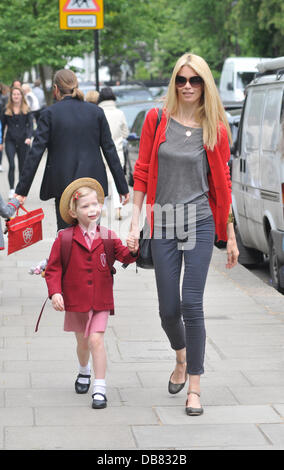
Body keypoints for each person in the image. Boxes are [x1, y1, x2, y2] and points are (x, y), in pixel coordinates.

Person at [127, 53, 239, 416]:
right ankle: (181, 355)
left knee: (192, 303)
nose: (187, 86)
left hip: (200, 221)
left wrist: (230, 233)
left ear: (205, 84)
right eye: (181, 80)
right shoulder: (156, 119)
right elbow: (142, 171)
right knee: (168, 309)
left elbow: (223, 183)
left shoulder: (216, 128)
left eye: (195, 80)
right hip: (163, 221)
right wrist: (134, 223)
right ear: (174, 82)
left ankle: (194, 385)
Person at [44, 177, 138, 409]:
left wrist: (134, 249)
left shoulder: (107, 236)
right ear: (74, 212)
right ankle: (83, 370)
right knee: (82, 342)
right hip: (75, 300)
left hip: (100, 299)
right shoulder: (64, 238)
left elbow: (125, 256)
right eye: (85, 206)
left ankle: (100, 387)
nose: (92, 209)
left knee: (96, 339)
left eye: (95, 204)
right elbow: (53, 269)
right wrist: (55, 292)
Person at [14, 69, 130, 230]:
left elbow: (35, 153)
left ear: (56, 89)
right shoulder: (96, 112)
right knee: (92, 237)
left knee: (66, 237)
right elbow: (109, 150)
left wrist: (22, 191)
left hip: (63, 184)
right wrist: (122, 187)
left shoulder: (50, 114)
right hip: (92, 183)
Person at [98, 87, 129, 220]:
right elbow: (125, 133)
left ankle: (103, 208)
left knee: (102, 181)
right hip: (116, 151)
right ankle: (118, 207)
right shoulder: (120, 113)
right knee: (116, 179)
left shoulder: (98, 112)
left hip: (99, 152)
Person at [1, 87, 33, 199]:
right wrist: (1, 141)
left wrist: (29, 137)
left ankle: (19, 190)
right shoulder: (6, 109)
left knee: (22, 167)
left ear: (21, 96)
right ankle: (11, 189)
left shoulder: (26, 109)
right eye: (14, 94)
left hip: (23, 141)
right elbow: (2, 126)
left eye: (18, 94)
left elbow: (30, 126)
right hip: (10, 140)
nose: (16, 96)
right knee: (12, 165)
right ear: (11, 96)